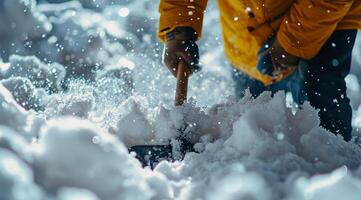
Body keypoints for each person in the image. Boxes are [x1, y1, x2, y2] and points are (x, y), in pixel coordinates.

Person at [157, 0, 361, 142]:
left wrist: (291, 43)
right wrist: (178, 27)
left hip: (326, 18)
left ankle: (334, 173)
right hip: (246, 29)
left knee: (322, 113)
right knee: (250, 126)